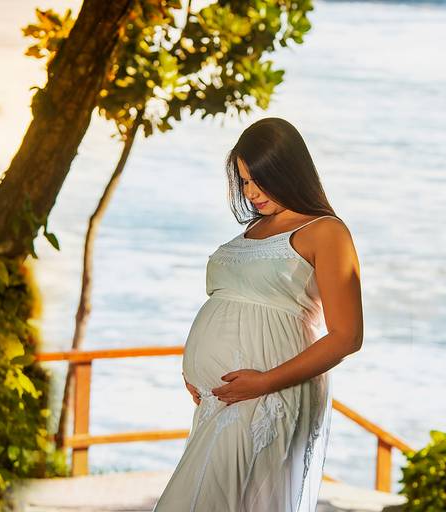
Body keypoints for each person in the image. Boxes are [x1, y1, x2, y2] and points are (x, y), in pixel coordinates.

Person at [152, 117, 363, 511]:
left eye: (260, 179)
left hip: (269, 393)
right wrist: (195, 368)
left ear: (287, 171)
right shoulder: (253, 230)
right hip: (226, 399)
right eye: (245, 181)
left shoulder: (325, 231)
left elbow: (347, 336)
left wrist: (265, 382)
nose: (251, 192)